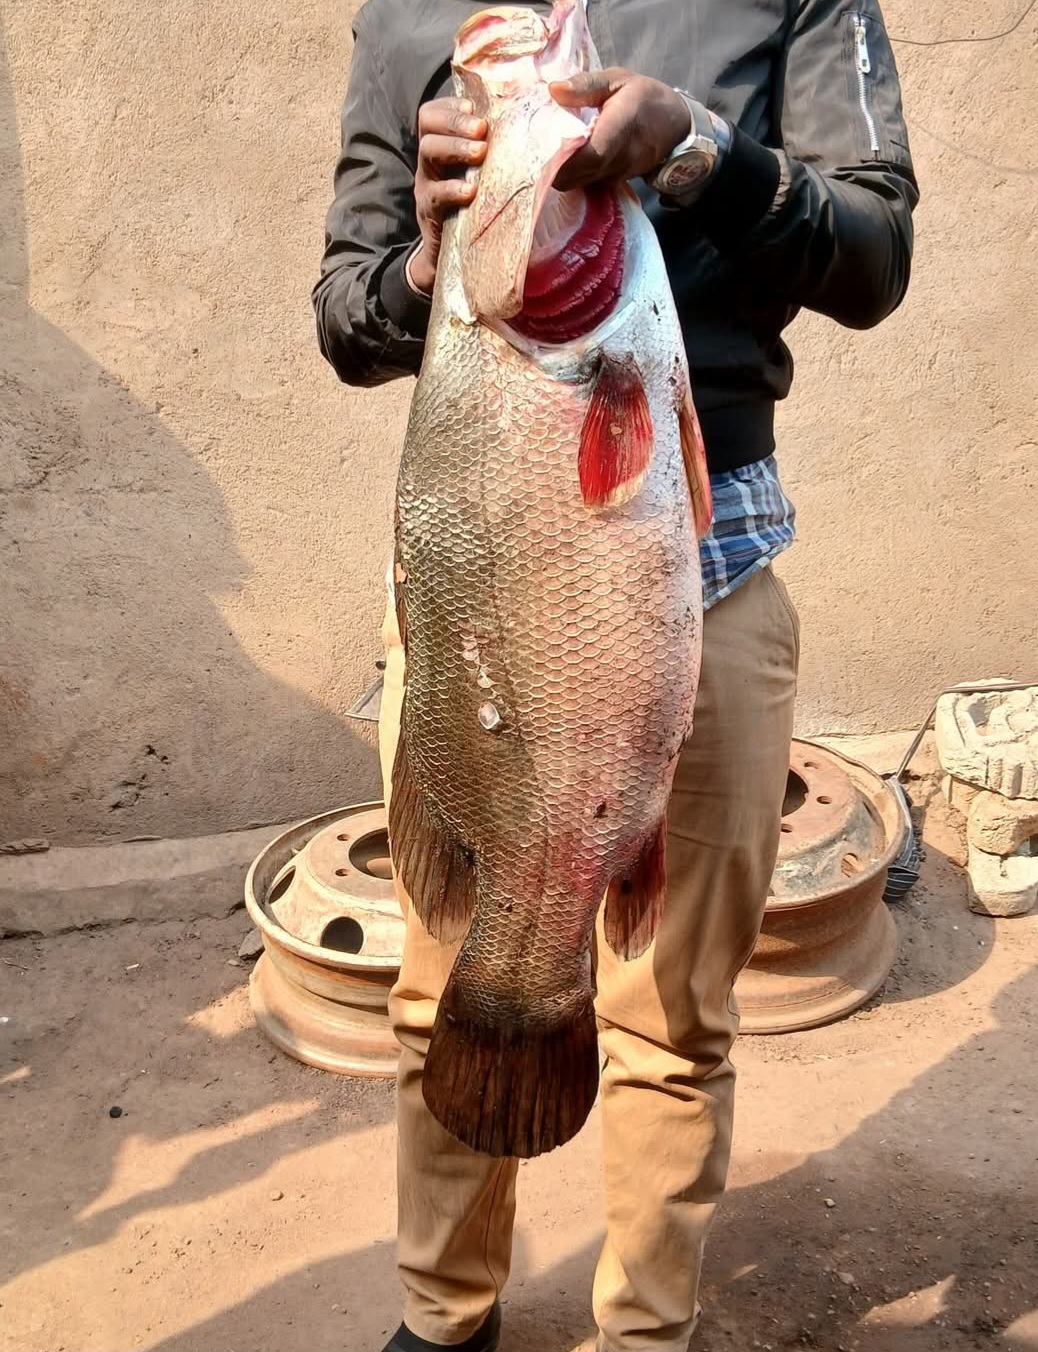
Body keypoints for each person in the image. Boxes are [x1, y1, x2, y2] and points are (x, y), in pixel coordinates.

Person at [313, 3, 917, 1350]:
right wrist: (423, 256)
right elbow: (347, 323)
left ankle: (646, 1329)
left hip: (711, 570)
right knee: (443, 988)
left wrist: (703, 152)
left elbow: (875, 259)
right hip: (483, 585)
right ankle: (442, 1315)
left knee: (674, 1016)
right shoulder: (414, 17)